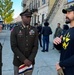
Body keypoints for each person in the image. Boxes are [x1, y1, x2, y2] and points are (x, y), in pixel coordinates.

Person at [10, 9, 38, 75]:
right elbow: (14, 46)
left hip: (30, 61)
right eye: (27, 17)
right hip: (18, 61)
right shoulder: (15, 30)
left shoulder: (34, 30)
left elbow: (35, 46)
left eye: (30, 17)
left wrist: (30, 59)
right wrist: (24, 60)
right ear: (22, 17)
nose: (29, 19)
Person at [53, 5, 74, 75]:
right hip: (63, 70)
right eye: (66, 13)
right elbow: (64, 48)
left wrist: (60, 64)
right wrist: (56, 43)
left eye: (69, 12)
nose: (66, 15)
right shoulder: (68, 31)